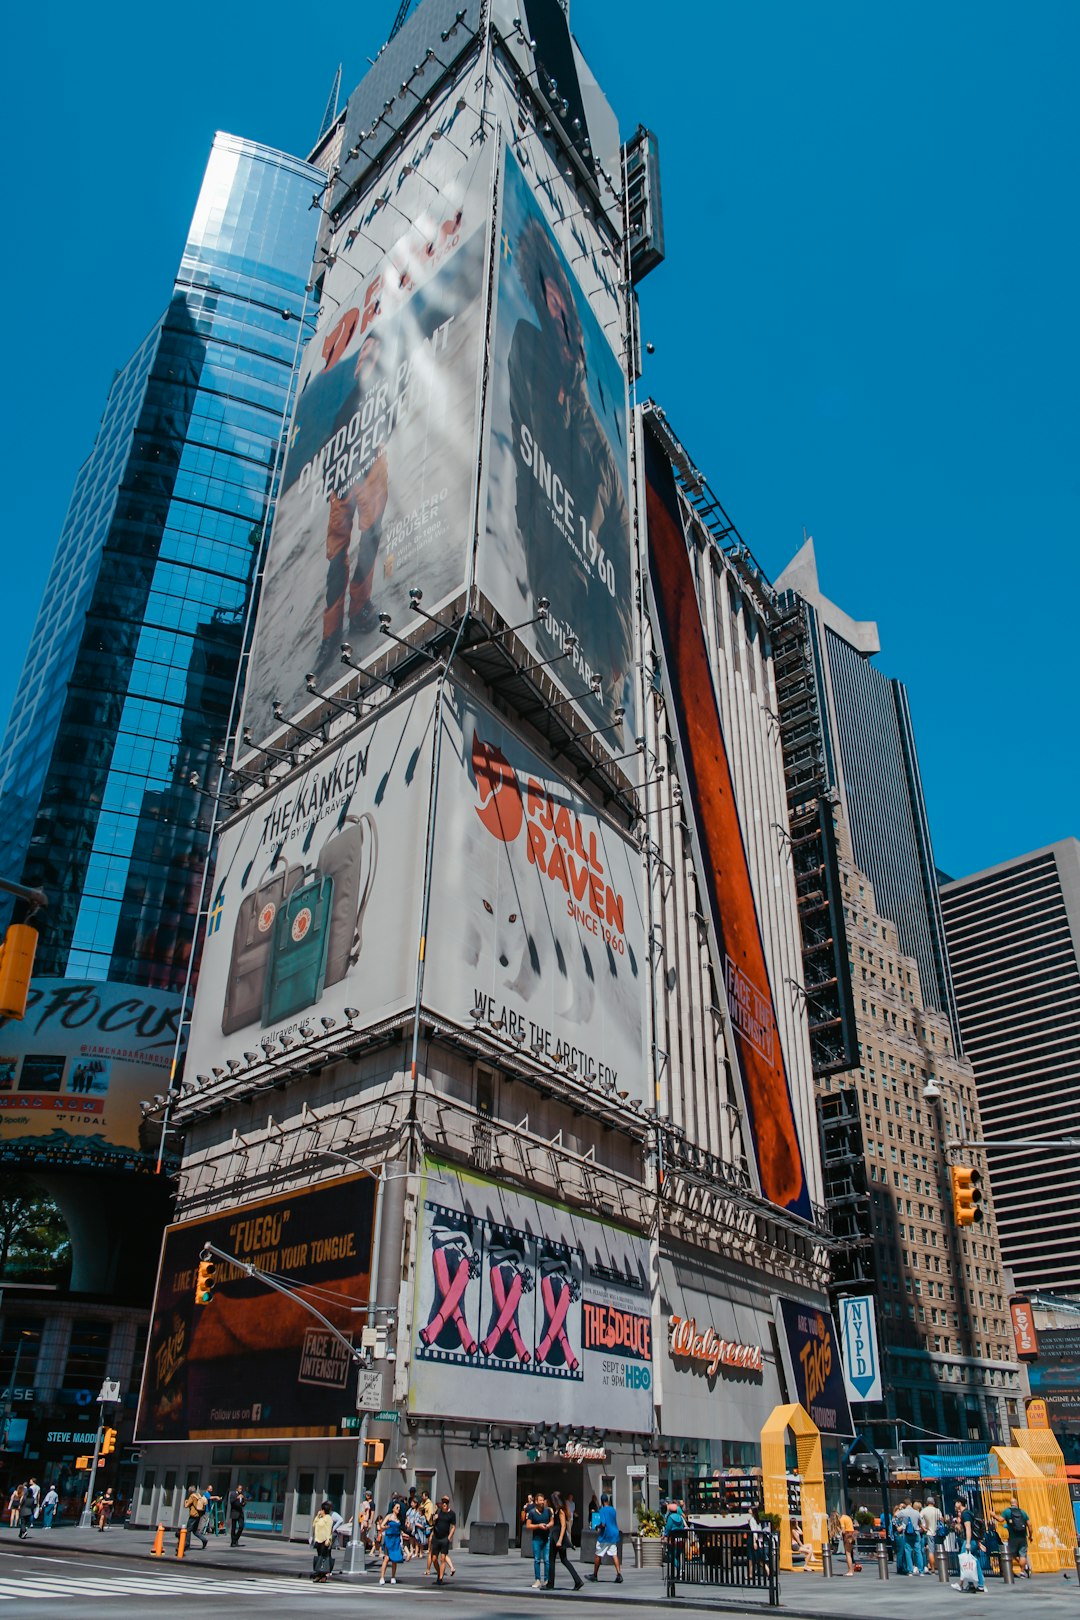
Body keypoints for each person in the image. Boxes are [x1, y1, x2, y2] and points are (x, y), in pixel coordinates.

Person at [547, 1491, 583, 1591]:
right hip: (555, 1535)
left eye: (554, 1500)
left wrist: (559, 1540)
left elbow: (563, 1526)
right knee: (560, 1560)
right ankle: (577, 1581)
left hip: (557, 1536)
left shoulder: (561, 1511)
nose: (553, 1502)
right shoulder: (557, 1510)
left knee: (558, 1560)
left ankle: (551, 1583)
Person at [952, 1498, 985, 1593]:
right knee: (974, 1562)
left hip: (969, 1541)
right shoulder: (969, 1513)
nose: (955, 1505)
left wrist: (967, 1543)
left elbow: (968, 1528)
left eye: (956, 1503)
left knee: (964, 1561)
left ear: (960, 1503)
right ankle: (980, 1585)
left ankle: (961, 1584)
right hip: (973, 1541)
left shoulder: (965, 1514)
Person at [590, 1493, 623, 1583]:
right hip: (614, 1533)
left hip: (606, 1535)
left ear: (601, 1501)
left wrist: (597, 1526)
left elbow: (604, 1524)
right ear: (607, 1500)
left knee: (598, 1554)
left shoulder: (602, 1510)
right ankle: (619, 1574)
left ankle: (595, 1575)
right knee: (614, 1554)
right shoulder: (613, 1509)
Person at [526, 1491, 554, 1588]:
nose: (542, 1502)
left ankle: (546, 1580)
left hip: (546, 1538)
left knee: (546, 1560)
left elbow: (552, 1522)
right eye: (540, 1500)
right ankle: (537, 1580)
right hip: (536, 1539)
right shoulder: (532, 1513)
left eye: (543, 1500)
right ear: (536, 1502)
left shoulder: (548, 1511)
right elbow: (528, 1525)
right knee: (537, 1559)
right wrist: (538, 1526)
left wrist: (547, 1525)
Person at [1002, 1496, 1032, 1578]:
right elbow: (1029, 1525)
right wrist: (1030, 1536)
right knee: (1023, 1554)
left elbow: (1000, 1520)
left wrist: (993, 1515)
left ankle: (1019, 1566)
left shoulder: (1007, 1512)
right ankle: (1022, 1571)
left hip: (1013, 1537)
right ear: (1017, 1503)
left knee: (1011, 1553)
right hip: (1023, 1536)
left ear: (1010, 1504)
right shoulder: (1023, 1512)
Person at [430, 1494, 456, 1583]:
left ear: (448, 1504)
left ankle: (440, 1578)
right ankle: (439, 1572)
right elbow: (432, 1523)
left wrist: (449, 1537)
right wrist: (434, 1518)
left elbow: (453, 1527)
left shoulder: (451, 1514)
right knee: (434, 1559)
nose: (444, 1504)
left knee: (443, 1558)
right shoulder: (438, 1512)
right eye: (443, 1502)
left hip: (445, 1538)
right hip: (436, 1537)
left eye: (446, 1502)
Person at [379, 1500, 405, 1585]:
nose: (398, 1509)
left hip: (396, 1539)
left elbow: (400, 1529)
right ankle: (382, 1577)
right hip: (389, 1538)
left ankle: (393, 1577)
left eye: (399, 1508)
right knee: (386, 1558)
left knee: (394, 1559)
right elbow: (382, 1525)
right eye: (397, 1507)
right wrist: (387, 1527)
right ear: (393, 1508)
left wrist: (403, 1534)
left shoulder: (398, 1519)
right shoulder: (389, 1516)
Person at [663, 1497, 686, 1581]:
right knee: (677, 1555)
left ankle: (679, 1569)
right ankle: (680, 1570)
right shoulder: (680, 1518)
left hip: (672, 1539)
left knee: (671, 1555)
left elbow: (668, 1528)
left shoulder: (670, 1518)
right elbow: (683, 1526)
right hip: (680, 1539)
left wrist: (665, 1535)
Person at [311, 1501, 335, 1583]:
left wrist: (328, 1539)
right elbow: (314, 1524)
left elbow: (329, 1530)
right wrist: (317, 1516)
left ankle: (322, 1575)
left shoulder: (328, 1518)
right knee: (319, 1557)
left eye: (321, 1509)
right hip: (318, 1539)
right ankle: (320, 1574)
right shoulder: (320, 1517)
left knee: (324, 1557)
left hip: (325, 1540)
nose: (320, 1511)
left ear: (324, 1510)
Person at [183, 1482, 210, 1549]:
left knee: (188, 1530)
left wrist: (186, 1501)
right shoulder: (198, 1495)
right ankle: (204, 1540)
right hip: (198, 1515)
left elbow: (186, 1505)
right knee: (195, 1531)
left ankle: (187, 1544)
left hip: (193, 1515)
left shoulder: (192, 1496)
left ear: (190, 1491)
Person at [921, 1495, 942, 1573]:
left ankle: (932, 1567)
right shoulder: (937, 1510)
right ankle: (939, 1565)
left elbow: (919, 1520)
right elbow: (941, 1520)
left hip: (929, 1532)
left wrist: (924, 1528)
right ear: (933, 1502)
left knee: (931, 1551)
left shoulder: (924, 1510)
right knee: (939, 1549)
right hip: (937, 1532)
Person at [227, 1482, 247, 1547]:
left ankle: (236, 1539)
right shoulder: (233, 1494)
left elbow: (243, 1502)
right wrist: (237, 1498)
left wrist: (244, 1502)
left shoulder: (242, 1494)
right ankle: (233, 1542)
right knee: (233, 1528)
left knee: (241, 1526)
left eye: (241, 1489)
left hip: (240, 1512)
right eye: (239, 1489)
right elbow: (231, 1502)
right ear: (237, 1489)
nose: (240, 1490)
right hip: (234, 1512)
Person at [838, 1509, 856, 1575]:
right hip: (852, 1534)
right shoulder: (847, 1517)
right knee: (850, 1553)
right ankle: (851, 1570)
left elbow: (843, 1531)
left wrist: (839, 1530)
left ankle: (850, 1571)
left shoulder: (842, 1519)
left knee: (847, 1553)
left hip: (847, 1535)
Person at [358, 1489, 376, 1553]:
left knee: (364, 1535)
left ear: (368, 1496)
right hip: (364, 1519)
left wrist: (370, 1522)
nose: (365, 1496)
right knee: (363, 1535)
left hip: (367, 1520)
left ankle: (372, 1544)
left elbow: (372, 1513)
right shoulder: (366, 1502)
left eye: (366, 1495)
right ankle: (364, 1548)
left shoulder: (372, 1503)